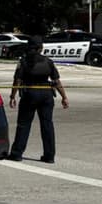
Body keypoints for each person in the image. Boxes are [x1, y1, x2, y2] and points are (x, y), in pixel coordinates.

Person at [8, 35, 69, 163]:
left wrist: (13, 96)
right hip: (47, 95)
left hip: (29, 94)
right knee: (47, 125)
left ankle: (17, 153)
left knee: (24, 124)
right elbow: (56, 81)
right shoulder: (48, 61)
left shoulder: (23, 61)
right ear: (41, 48)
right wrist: (64, 97)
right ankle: (49, 156)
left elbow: (17, 80)